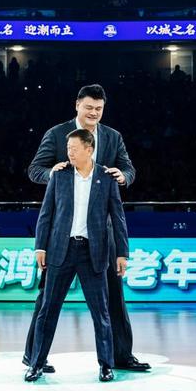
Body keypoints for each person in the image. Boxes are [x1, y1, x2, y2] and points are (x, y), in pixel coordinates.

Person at [25, 84, 150, 372]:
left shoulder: (113, 136)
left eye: (99, 109)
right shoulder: (57, 134)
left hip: (102, 233)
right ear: (77, 105)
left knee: (113, 296)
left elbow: (129, 169)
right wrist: (53, 172)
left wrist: (123, 176)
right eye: (89, 107)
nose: (94, 113)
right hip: (64, 232)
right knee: (47, 299)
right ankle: (33, 356)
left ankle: (120, 356)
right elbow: (34, 170)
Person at [24, 128, 128, 382]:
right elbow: (46, 213)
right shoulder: (59, 175)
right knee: (47, 310)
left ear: (89, 149)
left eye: (74, 149)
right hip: (61, 251)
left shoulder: (106, 177)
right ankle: (36, 363)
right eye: (68, 148)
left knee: (101, 313)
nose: (69, 153)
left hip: (94, 253)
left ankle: (106, 365)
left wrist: (122, 253)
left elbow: (118, 217)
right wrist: (40, 247)